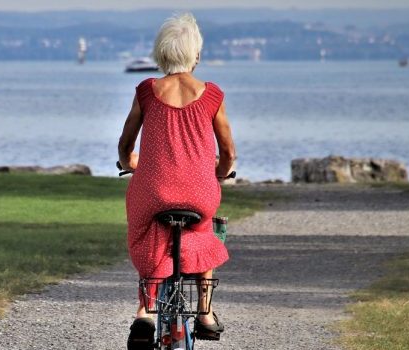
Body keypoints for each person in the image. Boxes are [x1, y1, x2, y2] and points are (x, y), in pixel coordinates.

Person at [117, 12, 236, 349]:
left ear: (161, 52)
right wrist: (220, 172)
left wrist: (130, 163)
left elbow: (126, 144)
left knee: (149, 228)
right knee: (203, 230)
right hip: (198, 192)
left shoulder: (146, 91)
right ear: (194, 54)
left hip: (154, 189)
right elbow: (227, 151)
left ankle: (145, 311)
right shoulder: (212, 94)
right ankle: (204, 312)